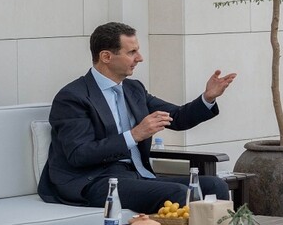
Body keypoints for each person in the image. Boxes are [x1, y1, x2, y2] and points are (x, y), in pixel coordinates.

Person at [38, 22, 237, 215]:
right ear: (106, 56)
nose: (140, 58)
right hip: (93, 180)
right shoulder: (73, 97)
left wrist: (207, 98)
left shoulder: (134, 89)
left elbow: (177, 118)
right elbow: (79, 154)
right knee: (177, 193)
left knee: (214, 186)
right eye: (131, 52)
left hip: (136, 175)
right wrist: (134, 135)